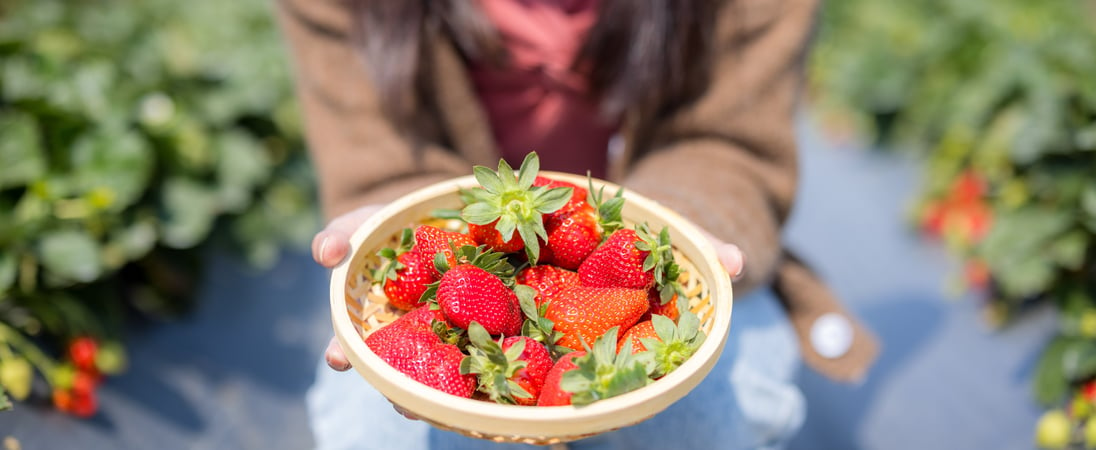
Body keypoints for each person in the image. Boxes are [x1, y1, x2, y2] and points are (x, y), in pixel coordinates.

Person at [276, 0, 878, 448]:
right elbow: (382, 156)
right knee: (374, 431)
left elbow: (727, 144)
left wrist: (673, 232)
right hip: (469, 244)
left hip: (656, 235)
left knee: (711, 417)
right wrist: (393, 218)